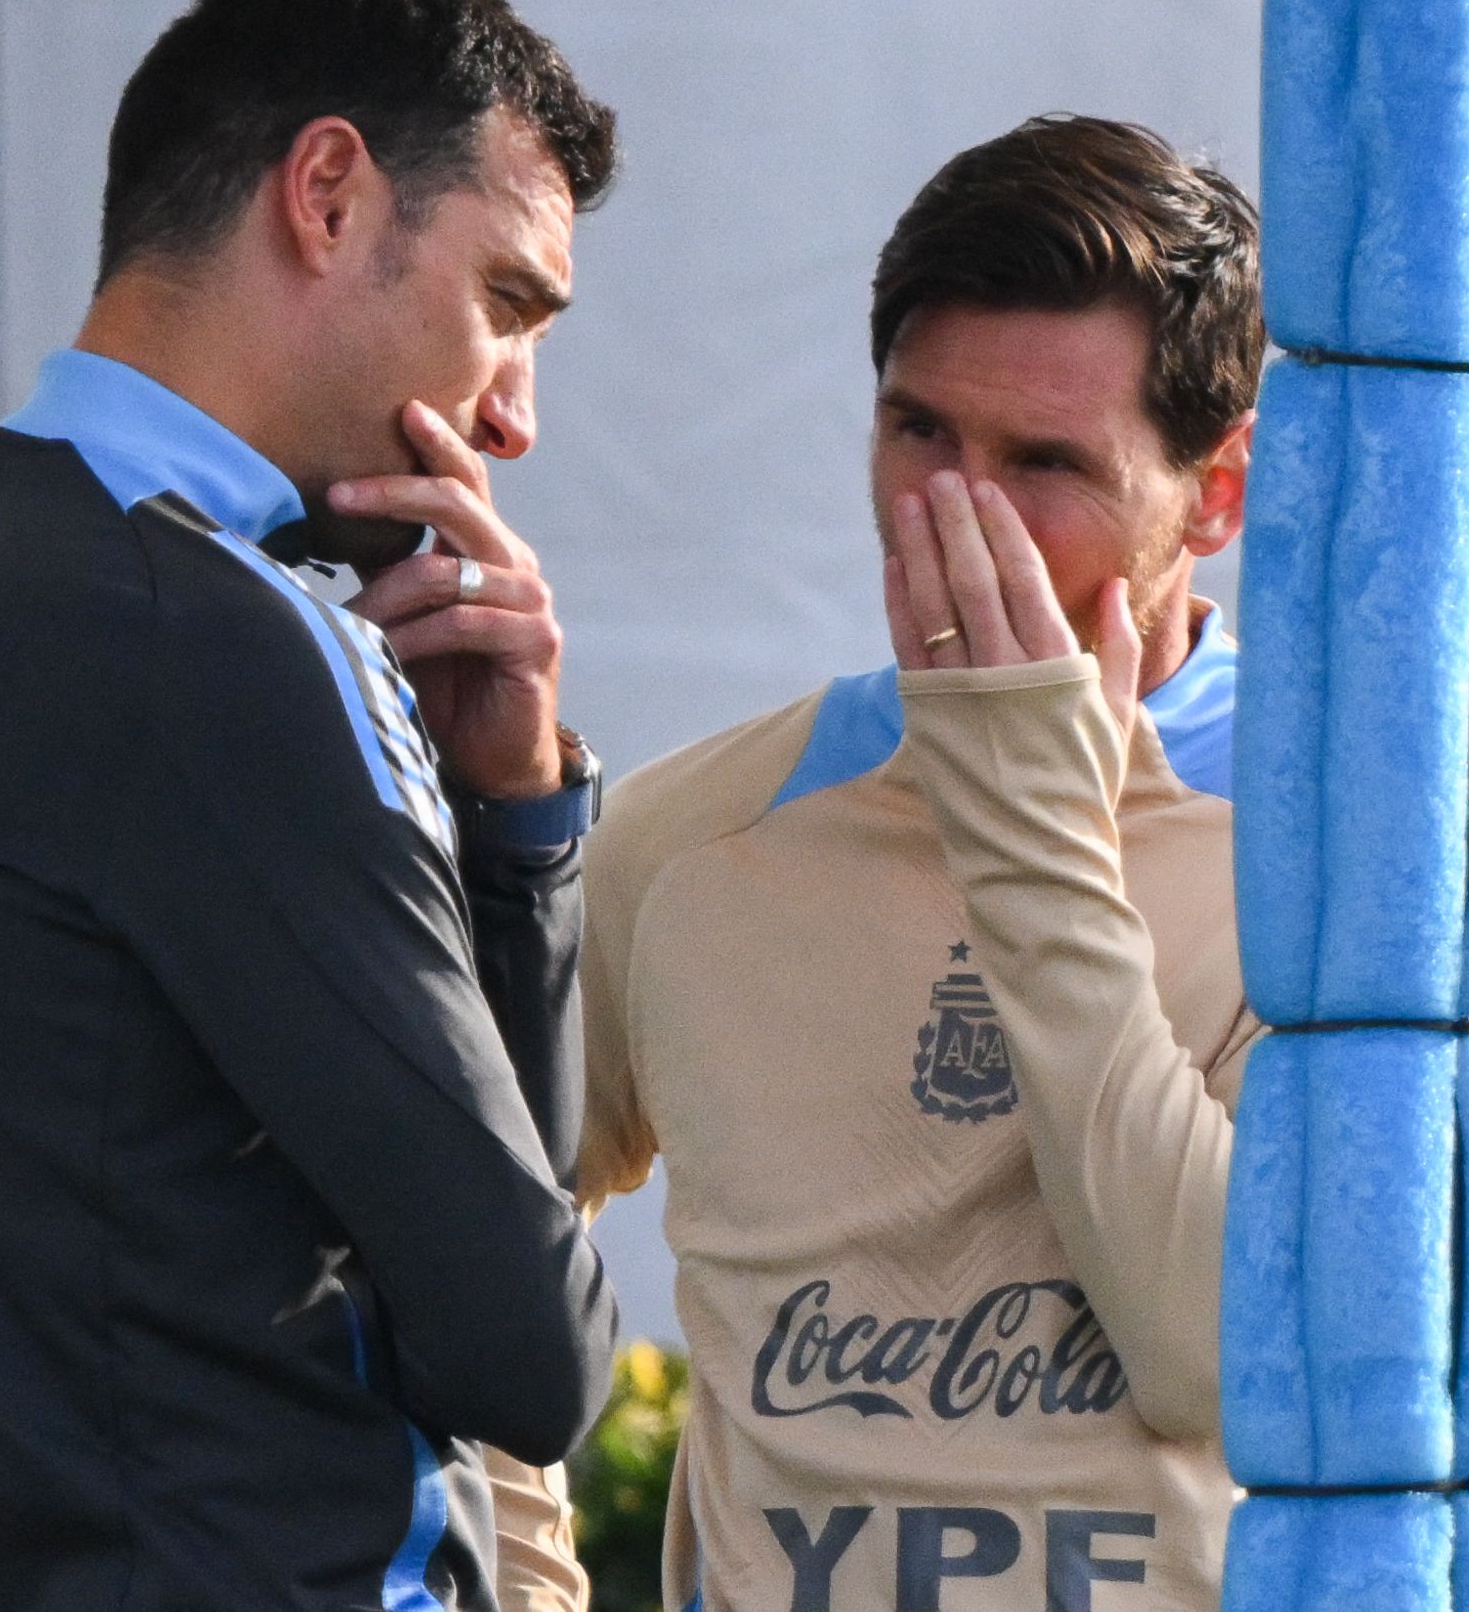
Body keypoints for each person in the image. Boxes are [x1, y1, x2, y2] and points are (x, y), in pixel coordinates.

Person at [0, 0, 621, 1611]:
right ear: (325, 192)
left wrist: (500, 801)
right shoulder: (215, 634)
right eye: (506, 302)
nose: (511, 411)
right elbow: (531, 1354)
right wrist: (523, 855)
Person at [494, 115, 1263, 1611]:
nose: (951, 516)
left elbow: (1212, 1352)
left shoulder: (1329, 877)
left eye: (1043, 463)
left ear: (1214, 496)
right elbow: (452, 1261)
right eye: (918, 431)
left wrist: (1030, 828)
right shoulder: (696, 836)